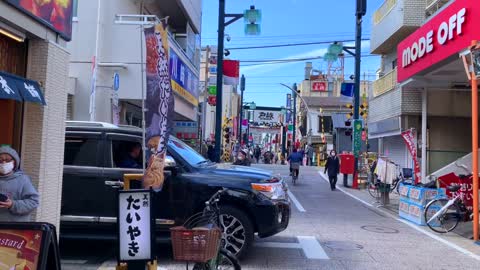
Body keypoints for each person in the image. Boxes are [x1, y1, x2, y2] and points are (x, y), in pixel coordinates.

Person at [0, 146, 39, 222]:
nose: (3, 163)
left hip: (16, 229)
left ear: (14, 162)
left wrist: (12, 204)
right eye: (0, 160)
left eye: (7, 160)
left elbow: (33, 202)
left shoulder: (22, 180)